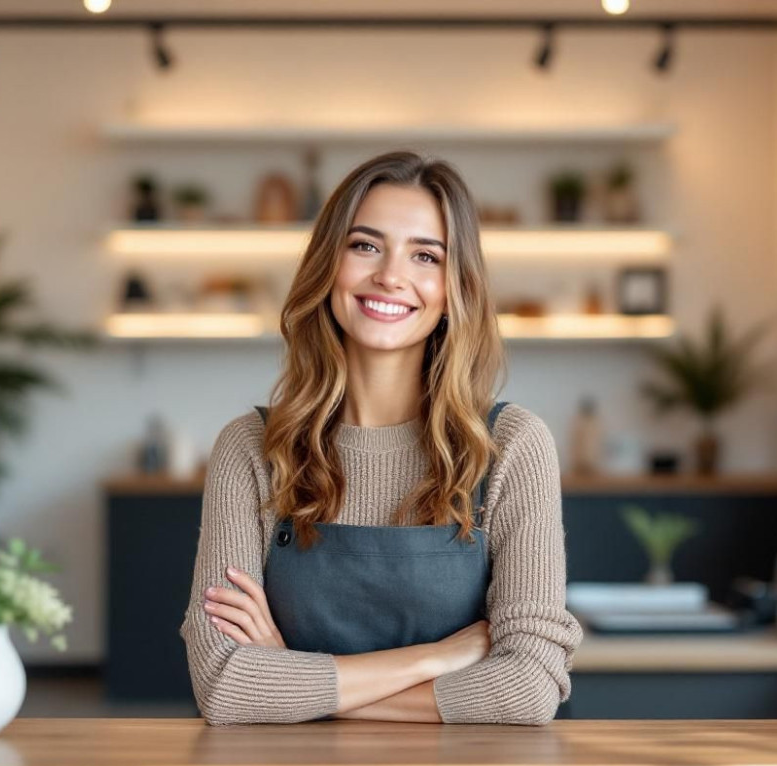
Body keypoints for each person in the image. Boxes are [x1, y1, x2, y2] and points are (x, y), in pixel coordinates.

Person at [179, 151, 582, 725]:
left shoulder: (511, 446)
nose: (391, 275)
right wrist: (437, 658)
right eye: (365, 245)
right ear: (329, 264)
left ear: (454, 286)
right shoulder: (251, 449)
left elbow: (527, 689)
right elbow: (224, 686)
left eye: (425, 255)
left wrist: (293, 680)